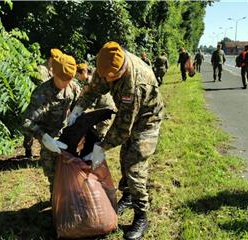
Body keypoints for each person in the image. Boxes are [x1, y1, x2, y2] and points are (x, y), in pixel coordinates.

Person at [67, 41, 165, 240]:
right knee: (124, 158)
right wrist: (77, 109)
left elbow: (122, 128)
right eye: (105, 75)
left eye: (112, 76)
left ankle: (141, 216)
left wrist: (101, 148)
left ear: (122, 68)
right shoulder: (106, 65)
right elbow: (92, 89)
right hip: (129, 114)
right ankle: (128, 196)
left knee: (134, 166)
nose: (108, 79)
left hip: (147, 119)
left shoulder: (136, 83)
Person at [22, 51, 81, 197]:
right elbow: (26, 122)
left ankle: (71, 203)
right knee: (55, 178)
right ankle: (58, 205)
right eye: (63, 79)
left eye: (70, 79)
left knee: (74, 175)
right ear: (53, 73)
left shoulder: (73, 88)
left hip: (66, 136)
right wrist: (43, 137)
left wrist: (77, 117)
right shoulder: (42, 93)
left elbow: (78, 107)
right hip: (48, 139)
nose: (67, 83)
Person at [23, 48, 62, 158]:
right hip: (37, 102)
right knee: (30, 127)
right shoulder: (41, 69)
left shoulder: (52, 69)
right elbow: (44, 86)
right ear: (50, 59)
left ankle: (46, 150)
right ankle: (28, 148)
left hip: (47, 103)